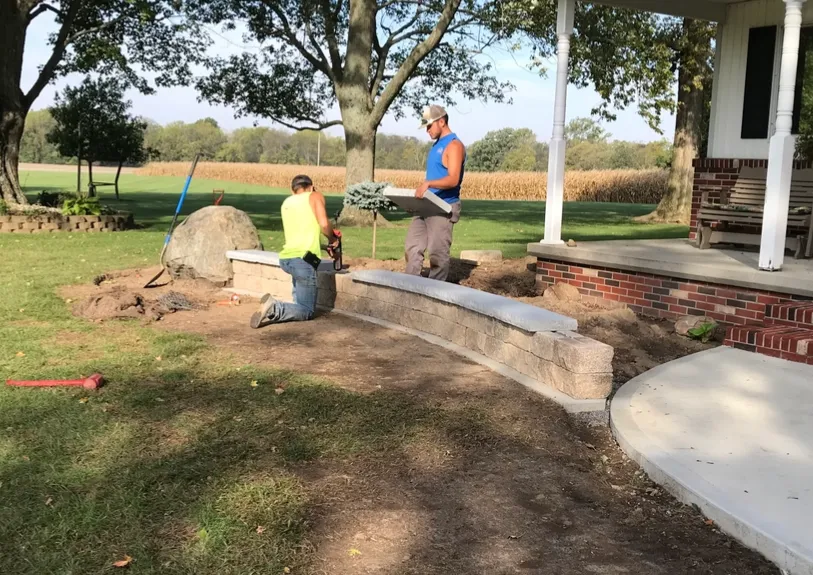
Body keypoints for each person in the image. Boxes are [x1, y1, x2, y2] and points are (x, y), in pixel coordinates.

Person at [250, 175, 339, 328]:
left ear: (293, 190)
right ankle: (274, 308)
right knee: (307, 310)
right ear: (311, 187)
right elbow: (324, 225)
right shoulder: (315, 196)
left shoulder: (287, 203)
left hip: (287, 259)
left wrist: (323, 246)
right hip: (304, 260)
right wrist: (333, 239)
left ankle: (281, 310)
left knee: (299, 303)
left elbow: (301, 233)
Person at [405, 104, 466, 282]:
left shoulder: (454, 145)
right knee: (412, 246)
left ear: (442, 122)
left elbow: (453, 179)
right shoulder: (436, 145)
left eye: (429, 126)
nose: (427, 131)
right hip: (426, 204)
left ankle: (435, 294)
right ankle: (409, 287)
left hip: (443, 206)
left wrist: (429, 183)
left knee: (437, 255)